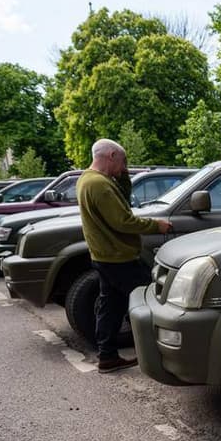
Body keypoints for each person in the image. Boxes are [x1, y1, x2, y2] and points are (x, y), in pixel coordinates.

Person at [76, 139, 172, 373]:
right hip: (119, 258)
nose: (124, 165)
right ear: (110, 155)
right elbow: (123, 221)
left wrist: (124, 178)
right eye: (122, 160)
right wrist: (156, 226)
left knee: (111, 306)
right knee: (150, 300)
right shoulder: (99, 184)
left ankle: (107, 356)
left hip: (104, 257)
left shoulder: (88, 180)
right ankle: (162, 357)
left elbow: (121, 205)